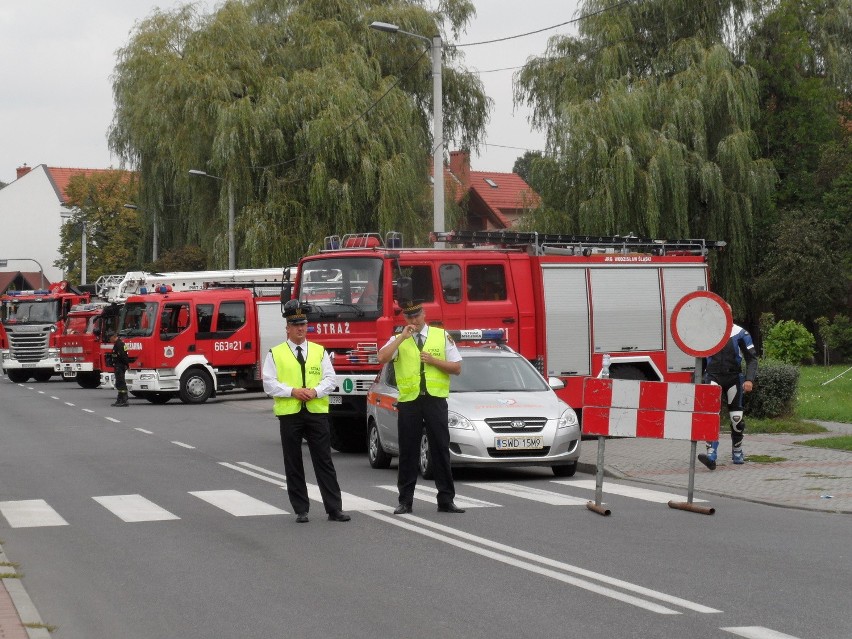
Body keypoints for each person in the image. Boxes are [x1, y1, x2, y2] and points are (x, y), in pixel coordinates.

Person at [262, 300, 350, 524]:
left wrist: (315, 391)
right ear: (288, 329)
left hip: (315, 411)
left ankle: (334, 509)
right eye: (296, 325)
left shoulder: (319, 351)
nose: (301, 328)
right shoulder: (276, 353)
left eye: (303, 324)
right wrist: (293, 391)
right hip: (290, 413)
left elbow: (330, 379)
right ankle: (301, 509)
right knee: (293, 462)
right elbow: (268, 384)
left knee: (324, 461)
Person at [377, 300, 463, 514]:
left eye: (417, 316)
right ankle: (405, 501)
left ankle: (446, 499)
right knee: (408, 451)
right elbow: (382, 358)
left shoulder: (441, 336)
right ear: (404, 319)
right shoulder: (399, 338)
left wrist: (434, 360)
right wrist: (400, 339)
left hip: (435, 400)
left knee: (441, 449)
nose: (413, 321)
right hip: (409, 401)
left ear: (424, 314)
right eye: (409, 317)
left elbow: (457, 368)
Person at [698, 310, 758, 469]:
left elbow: (752, 358)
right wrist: (698, 379)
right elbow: (698, 357)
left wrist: (749, 379)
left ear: (731, 315)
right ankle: (711, 454)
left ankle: (737, 451)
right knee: (710, 417)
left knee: (736, 418)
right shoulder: (708, 332)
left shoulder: (740, 333)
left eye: (726, 313)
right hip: (712, 377)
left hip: (734, 378)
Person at [109, 334, 131, 408]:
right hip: (118, 365)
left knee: (121, 382)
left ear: (114, 337)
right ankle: (119, 399)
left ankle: (124, 400)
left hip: (120, 366)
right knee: (118, 383)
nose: (110, 340)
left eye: (110, 338)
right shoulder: (117, 344)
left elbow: (124, 356)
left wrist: (127, 365)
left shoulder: (120, 344)